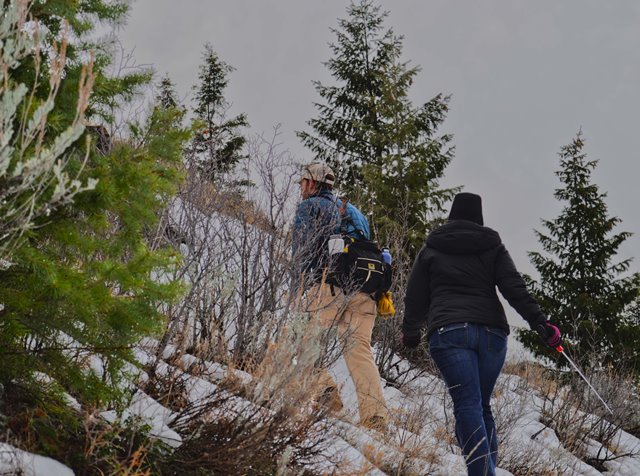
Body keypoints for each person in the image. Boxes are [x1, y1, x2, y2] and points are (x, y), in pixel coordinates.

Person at [401, 192, 561, 476]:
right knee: (480, 404)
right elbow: (515, 289)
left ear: (452, 215)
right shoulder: (493, 247)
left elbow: (415, 295)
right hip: (492, 335)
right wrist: (541, 324)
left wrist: (411, 332)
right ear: (480, 217)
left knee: (467, 404)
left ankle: (482, 473)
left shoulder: (432, 248)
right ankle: (487, 471)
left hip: (449, 333)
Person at [292, 161, 389, 431]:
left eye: (302, 183)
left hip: (327, 285)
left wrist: (296, 289)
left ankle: (326, 394)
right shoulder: (354, 211)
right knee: (359, 350)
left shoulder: (309, 207)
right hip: (365, 288)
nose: (300, 188)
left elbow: (300, 251)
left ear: (311, 183)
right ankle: (375, 417)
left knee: (304, 338)